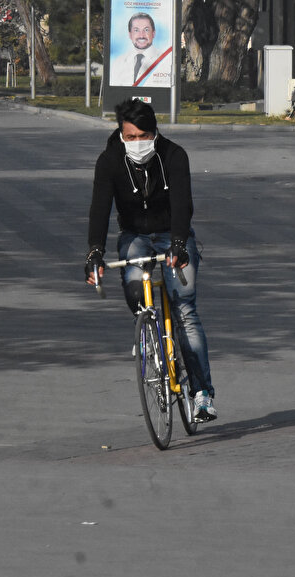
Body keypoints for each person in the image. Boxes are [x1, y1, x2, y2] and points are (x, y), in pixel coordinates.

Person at [85, 99, 217, 421]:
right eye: (129, 137)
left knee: (184, 309)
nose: (136, 143)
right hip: (135, 236)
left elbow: (183, 204)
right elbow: (100, 208)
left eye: (143, 136)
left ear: (155, 133)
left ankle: (202, 394)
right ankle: (146, 331)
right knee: (135, 289)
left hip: (173, 233)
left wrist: (178, 245)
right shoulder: (110, 161)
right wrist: (94, 253)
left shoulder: (174, 155)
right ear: (120, 133)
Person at [112, 13, 171, 88]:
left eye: (146, 30)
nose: (141, 35)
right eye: (136, 30)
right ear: (130, 35)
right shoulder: (118, 62)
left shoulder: (165, 61)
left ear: (153, 33)